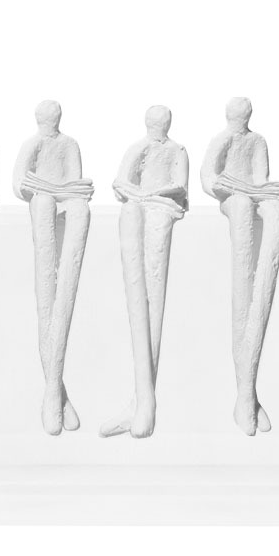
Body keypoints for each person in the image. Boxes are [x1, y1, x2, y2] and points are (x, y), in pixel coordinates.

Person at [201, 97, 279, 435]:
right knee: (238, 206)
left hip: (251, 194)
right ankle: (248, 397)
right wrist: (228, 188)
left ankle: (246, 397)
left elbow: (260, 177)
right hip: (234, 200)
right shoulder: (221, 140)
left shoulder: (258, 141)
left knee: (277, 212)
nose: (240, 119)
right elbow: (209, 178)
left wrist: (260, 191)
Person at [100, 105, 188, 438]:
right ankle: (143, 404)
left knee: (154, 297)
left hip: (162, 210)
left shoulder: (177, 151)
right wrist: (137, 194)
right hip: (138, 208)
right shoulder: (138, 149)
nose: (157, 127)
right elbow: (120, 182)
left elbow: (179, 186)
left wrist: (154, 194)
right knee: (139, 298)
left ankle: (143, 405)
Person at [13, 100, 93, 435]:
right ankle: (56, 394)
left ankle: (53, 393)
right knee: (43, 202)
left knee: (80, 210)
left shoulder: (69, 145)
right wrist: (46, 190)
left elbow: (75, 183)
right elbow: (20, 185)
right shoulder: (32, 145)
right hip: (44, 204)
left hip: (64, 203)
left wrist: (61, 190)